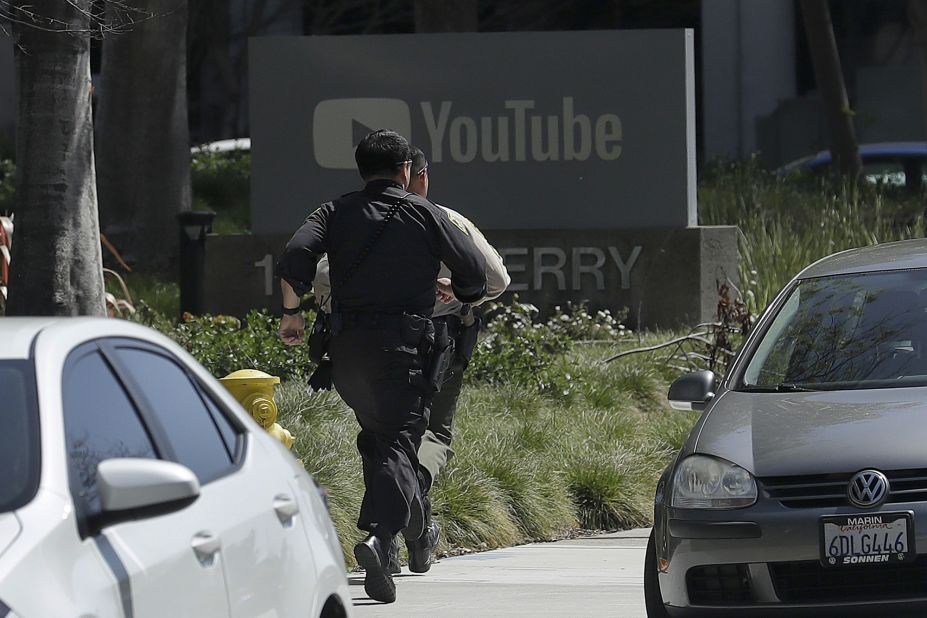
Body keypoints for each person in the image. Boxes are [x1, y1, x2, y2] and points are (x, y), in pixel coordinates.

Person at [276, 129, 487, 604]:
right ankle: (379, 537)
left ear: (361, 169)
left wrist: (292, 313)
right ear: (405, 171)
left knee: (377, 437)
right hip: (403, 350)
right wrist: (465, 296)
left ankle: (414, 526)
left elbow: (294, 254)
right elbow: (473, 270)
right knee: (398, 441)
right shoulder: (424, 213)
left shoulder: (333, 211)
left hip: (346, 352)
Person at [312, 147, 510, 574]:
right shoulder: (444, 218)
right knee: (433, 435)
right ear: (418, 177)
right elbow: (495, 278)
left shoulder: (359, 219)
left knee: (384, 437)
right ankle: (415, 500)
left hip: (369, 342)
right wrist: (457, 292)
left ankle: (400, 540)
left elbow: (323, 276)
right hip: (438, 342)